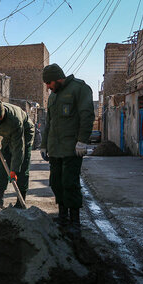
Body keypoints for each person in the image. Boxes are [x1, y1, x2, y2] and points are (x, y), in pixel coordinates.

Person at [40, 63, 95, 239]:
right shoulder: (52, 97)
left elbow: (87, 115)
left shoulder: (80, 89)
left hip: (72, 149)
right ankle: (63, 218)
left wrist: (82, 141)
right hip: (55, 149)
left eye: (49, 83)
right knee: (56, 183)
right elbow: (49, 122)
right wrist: (44, 145)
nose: (48, 87)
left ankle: (75, 222)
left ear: (57, 78)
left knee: (70, 183)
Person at [0, 100, 35, 208]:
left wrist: (14, 170)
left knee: (22, 166)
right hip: (8, 135)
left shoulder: (14, 120)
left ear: (3, 113)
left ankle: (20, 201)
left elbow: (18, 149)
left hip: (25, 133)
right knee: (3, 163)